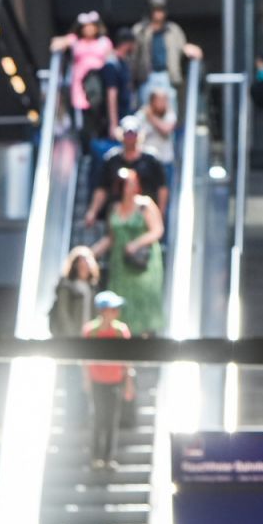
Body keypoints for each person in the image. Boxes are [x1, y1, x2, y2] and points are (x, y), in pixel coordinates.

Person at [91, 168, 165, 337]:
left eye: (130, 183)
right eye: (123, 183)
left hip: (141, 265)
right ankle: (122, 337)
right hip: (120, 263)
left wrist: (136, 243)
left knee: (143, 302)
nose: (127, 187)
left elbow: (157, 230)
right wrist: (91, 253)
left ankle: (145, 339)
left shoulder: (145, 205)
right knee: (120, 303)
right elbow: (111, 237)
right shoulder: (114, 208)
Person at [82, 290, 135, 469]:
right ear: (103, 311)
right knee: (98, 417)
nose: (116, 312)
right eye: (113, 309)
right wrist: (86, 379)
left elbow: (127, 359)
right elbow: (85, 358)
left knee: (112, 419)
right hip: (97, 380)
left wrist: (128, 382)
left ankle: (108, 457)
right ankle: (95, 456)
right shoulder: (91, 331)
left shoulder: (121, 331)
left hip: (115, 380)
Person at [49, 246, 101, 425]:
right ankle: (70, 421)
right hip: (72, 342)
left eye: (86, 262)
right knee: (72, 381)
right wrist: (73, 339)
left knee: (85, 382)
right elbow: (63, 313)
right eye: (80, 263)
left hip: (88, 342)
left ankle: (82, 420)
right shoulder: (66, 286)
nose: (83, 266)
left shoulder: (91, 288)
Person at [86, 115, 168, 227]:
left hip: (144, 216)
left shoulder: (151, 159)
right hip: (118, 217)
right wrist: (93, 211)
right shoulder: (112, 159)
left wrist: (159, 214)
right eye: (127, 134)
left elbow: (162, 188)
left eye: (133, 134)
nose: (130, 138)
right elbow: (102, 188)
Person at [131, 0, 202, 115]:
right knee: (145, 113)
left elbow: (182, 47)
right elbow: (133, 55)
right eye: (155, 10)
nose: (158, 13)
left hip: (167, 76)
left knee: (170, 114)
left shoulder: (173, 30)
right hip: (147, 76)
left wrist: (192, 50)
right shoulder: (140, 30)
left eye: (161, 10)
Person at [50, 11, 114, 135]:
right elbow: (55, 44)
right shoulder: (76, 40)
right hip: (80, 84)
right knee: (82, 120)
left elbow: (111, 61)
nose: (89, 29)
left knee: (99, 114)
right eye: (86, 26)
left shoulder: (104, 42)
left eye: (92, 25)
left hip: (99, 83)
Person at [135, 87, 177, 191]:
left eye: (165, 100)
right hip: (146, 163)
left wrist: (151, 118)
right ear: (152, 101)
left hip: (165, 161)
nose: (163, 103)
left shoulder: (170, 114)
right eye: (160, 100)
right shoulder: (141, 115)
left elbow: (166, 129)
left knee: (164, 191)